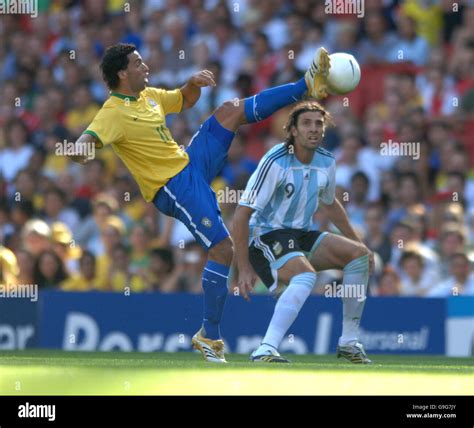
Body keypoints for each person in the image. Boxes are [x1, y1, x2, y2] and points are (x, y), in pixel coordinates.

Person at [70, 42, 331, 363]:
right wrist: (78, 150)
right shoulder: (112, 112)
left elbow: (182, 100)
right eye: (138, 63)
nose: (145, 66)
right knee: (223, 249)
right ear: (122, 73)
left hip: (190, 164)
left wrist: (191, 85)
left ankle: (306, 85)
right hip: (173, 187)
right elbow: (87, 142)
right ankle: (210, 335)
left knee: (230, 109)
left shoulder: (148, 96)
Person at [233, 100, 373, 364]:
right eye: (306, 123)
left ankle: (349, 342)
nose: (314, 129)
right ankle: (266, 348)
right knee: (305, 276)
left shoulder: (327, 160)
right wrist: (243, 267)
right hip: (265, 235)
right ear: (293, 130)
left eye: (319, 124)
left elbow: (330, 204)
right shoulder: (275, 160)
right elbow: (241, 214)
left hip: (300, 235)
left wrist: (359, 243)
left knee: (359, 256)